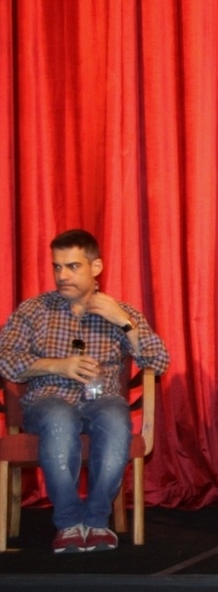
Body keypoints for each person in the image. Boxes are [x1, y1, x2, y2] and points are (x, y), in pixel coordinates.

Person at [0, 229, 170, 553]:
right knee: (59, 420)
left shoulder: (119, 311)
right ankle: (68, 523)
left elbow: (158, 361)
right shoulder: (35, 310)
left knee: (117, 423)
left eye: (73, 266)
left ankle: (95, 521)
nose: (62, 275)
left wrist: (125, 323)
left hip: (101, 398)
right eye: (57, 267)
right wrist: (57, 365)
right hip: (49, 398)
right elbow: (6, 358)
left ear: (96, 267)